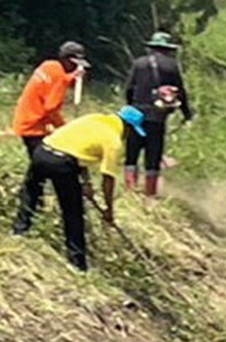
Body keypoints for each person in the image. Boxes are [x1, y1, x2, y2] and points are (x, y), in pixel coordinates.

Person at [12, 106, 145, 271]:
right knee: (73, 212)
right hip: (62, 163)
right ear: (128, 127)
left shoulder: (94, 118)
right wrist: (108, 210)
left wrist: (86, 183)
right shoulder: (114, 141)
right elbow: (108, 179)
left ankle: (19, 231)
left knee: (31, 192)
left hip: (42, 151)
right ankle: (77, 263)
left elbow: (78, 148)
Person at [123, 32, 194, 196]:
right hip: (158, 116)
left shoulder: (138, 63)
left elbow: (129, 89)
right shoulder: (171, 66)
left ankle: (130, 191)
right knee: (153, 156)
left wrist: (130, 107)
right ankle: (150, 193)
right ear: (167, 49)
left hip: (136, 116)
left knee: (132, 154)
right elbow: (180, 92)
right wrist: (187, 114)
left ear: (151, 48)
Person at [11, 41, 88, 157]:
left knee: (39, 164)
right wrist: (64, 128)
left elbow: (55, 81)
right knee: (45, 162)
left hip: (24, 119)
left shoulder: (49, 66)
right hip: (34, 126)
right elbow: (50, 108)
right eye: (73, 64)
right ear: (65, 59)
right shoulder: (59, 77)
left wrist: (71, 78)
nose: (75, 67)